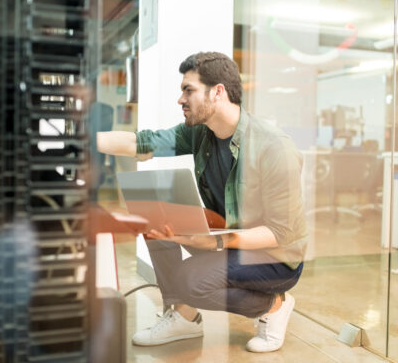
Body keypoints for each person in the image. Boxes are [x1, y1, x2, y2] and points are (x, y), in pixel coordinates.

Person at [97, 52, 307, 353]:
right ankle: (185, 317)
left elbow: (280, 233)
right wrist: (82, 141)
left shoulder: (274, 148)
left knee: (191, 279)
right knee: (155, 212)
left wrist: (216, 243)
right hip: (228, 236)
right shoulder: (200, 133)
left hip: (275, 257)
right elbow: (140, 143)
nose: (180, 99)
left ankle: (274, 304)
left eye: (188, 90)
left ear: (217, 92)